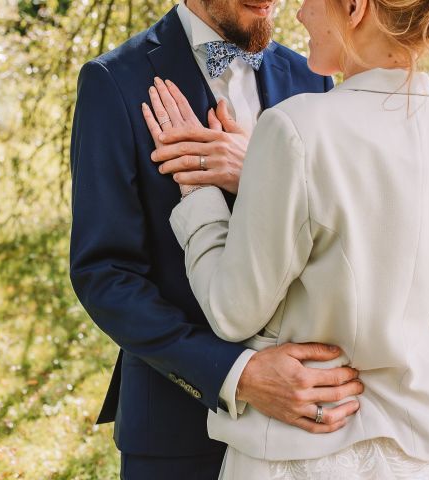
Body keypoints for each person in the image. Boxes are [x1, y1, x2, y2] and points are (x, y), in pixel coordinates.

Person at [143, 0, 429, 476]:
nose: (298, 15)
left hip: (306, 452)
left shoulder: (296, 129)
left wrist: (198, 194)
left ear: (355, 8)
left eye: (310, 1)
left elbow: (232, 313)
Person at [69, 0, 366, 478]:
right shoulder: (114, 80)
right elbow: (105, 274)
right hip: (178, 428)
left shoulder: (309, 74)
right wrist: (237, 374)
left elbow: (336, 235)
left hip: (303, 428)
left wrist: (258, 173)